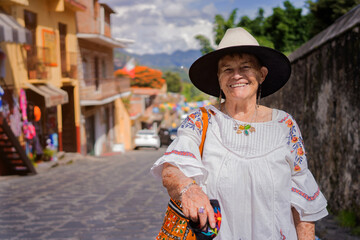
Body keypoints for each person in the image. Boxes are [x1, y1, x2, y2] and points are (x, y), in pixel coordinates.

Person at [151, 27, 328, 239]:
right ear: (218, 77)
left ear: (261, 75)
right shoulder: (200, 121)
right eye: (227, 69)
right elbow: (171, 169)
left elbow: (303, 201)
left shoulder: (285, 125)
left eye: (245, 67)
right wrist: (189, 189)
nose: (236, 75)